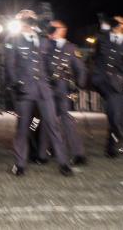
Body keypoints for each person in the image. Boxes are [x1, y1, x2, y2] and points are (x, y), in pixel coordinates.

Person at [4, 10, 73, 177]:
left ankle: (63, 163)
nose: (27, 21)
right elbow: (10, 65)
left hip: (44, 90)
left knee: (53, 126)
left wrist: (59, 78)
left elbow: (51, 62)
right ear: (19, 22)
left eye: (31, 18)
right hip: (24, 89)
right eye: (24, 18)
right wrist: (15, 84)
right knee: (22, 128)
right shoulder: (13, 40)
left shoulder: (43, 40)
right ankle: (19, 164)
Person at [40, 21, 88, 165]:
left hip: (63, 88)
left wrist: (78, 86)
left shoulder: (71, 48)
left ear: (63, 30)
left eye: (56, 27)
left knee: (67, 121)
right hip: (46, 87)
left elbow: (81, 69)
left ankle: (78, 153)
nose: (52, 29)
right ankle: (42, 154)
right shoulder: (44, 45)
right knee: (46, 121)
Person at [92, 15, 123, 157]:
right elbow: (96, 50)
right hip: (103, 81)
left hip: (118, 83)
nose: (117, 24)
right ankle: (115, 140)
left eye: (120, 23)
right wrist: (106, 28)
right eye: (115, 22)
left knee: (114, 115)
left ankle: (111, 146)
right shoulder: (103, 38)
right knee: (114, 113)